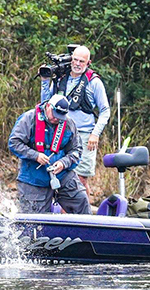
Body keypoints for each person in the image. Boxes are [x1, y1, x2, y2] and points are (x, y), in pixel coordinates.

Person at [40, 45, 110, 203]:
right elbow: (46, 103)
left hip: (84, 134)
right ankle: (66, 215)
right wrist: (45, 81)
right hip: (61, 133)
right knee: (63, 178)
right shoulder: (61, 78)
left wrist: (95, 134)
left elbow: (105, 110)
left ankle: (82, 216)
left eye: (82, 61)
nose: (77, 64)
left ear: (88, 63)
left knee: (80, 179)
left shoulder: (94, 82)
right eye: (75, 60)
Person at [8, 95, 91, 214]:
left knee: (81, 200)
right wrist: (35, 155)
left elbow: (77, 150)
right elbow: (14, 143)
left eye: (60, 117)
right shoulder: (29, 118)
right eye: (55, 114)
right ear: (48, 107)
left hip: (62, 174)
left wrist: (64, 163)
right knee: (34, 222)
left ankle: (86, 231)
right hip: (34, 177)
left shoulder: (68, 123)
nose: (56, 119)